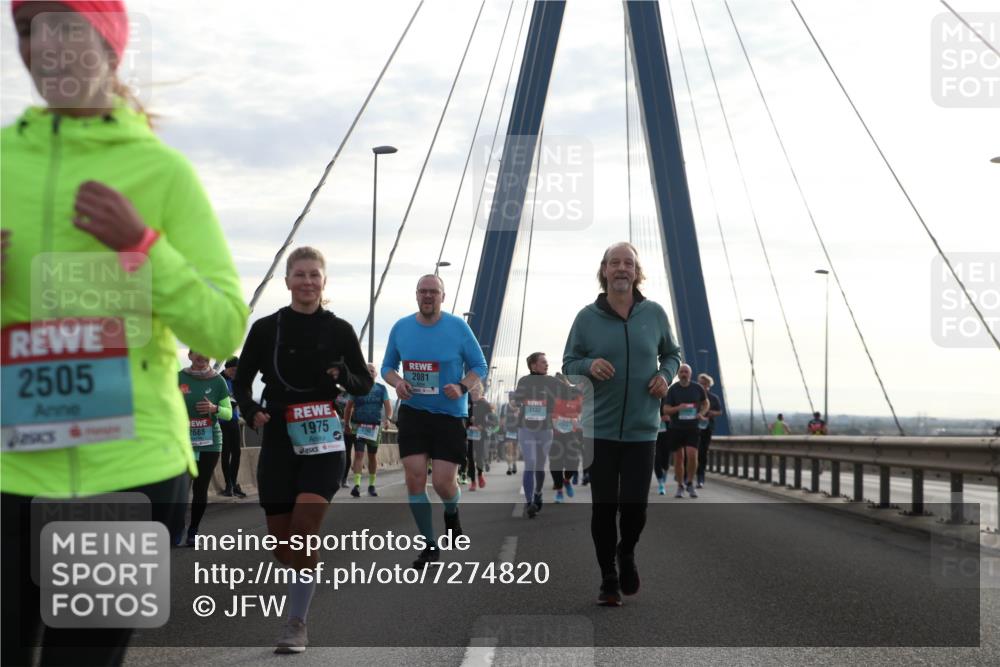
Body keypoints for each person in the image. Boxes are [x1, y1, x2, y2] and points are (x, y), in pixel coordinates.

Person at [1, 2, 247, 664]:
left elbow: (222, 326)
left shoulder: (162, 174)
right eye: (28, 28)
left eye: (65, 25)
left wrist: (144, 247)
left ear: (110, 43)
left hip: (128, 475)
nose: (45, 44)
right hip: (8, 471)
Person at [233, 246, 371, 653]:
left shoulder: (340, 329)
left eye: (314, 275)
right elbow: (241, 380)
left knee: (303, 531)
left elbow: (363, 382)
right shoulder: (266, 328)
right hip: (278, 435)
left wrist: (343, 375)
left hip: (324, 437)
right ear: (288, 281)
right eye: (300, 274)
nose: (307, 282)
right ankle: (307, 572)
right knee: (282, 545)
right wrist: (251, 410)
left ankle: (296, 623)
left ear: (324, 282)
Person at [562, 242, 681, 606]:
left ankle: (625, 551)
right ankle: (608, 578)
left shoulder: (654, 314)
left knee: (634, 508)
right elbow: (569, 364)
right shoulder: (586, 318)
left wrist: (665, 376)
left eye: (628, 263)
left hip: (642, 430)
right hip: (599, 430)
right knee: (603, 507)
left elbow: (672, 355)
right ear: (604, 270)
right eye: (614, 262)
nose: (621, 268)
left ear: (636, 271)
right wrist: (588, 365)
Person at [381, 275, 487, 569]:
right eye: (423, 291)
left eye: (434, 292)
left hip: (449, 415)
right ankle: (429, 545)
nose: (428, 296)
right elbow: (387, 367)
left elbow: (479, 365)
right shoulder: (401, 327)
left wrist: (462, 387)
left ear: (443, 296)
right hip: (414, 413)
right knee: (415, 479)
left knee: (442, 483)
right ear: (416, 295)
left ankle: (451, 511)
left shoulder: (458, 327)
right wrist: (398, 382)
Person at [178, 352, 232, 545]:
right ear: (190, 355)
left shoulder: (218, 381)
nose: (202, 356)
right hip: (183, 442)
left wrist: (214, 408)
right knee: (180, 488)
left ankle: (193, 531)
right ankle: (177, 528)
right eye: (197, 353)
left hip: (210, 442)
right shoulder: (178, 378)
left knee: (200, 488)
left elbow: (228, 414)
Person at [512, 352, 563, 518]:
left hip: (545, 429)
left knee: (540, 465)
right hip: (526, 427)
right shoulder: (524, 381)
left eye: (547, 362)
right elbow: (516, 400)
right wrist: (517, 401)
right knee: (530, 463)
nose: (547, 364)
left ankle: (538, 493)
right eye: (543, 362)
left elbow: (569, 392)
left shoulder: (552, 381)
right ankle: (529, 503)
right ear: (533, 366)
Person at [344, 363, 393, 497]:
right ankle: (357, 485)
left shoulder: (381, 389)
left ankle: (372, 485)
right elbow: (348, 408)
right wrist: (347, 423)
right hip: (359, 426)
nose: (370, 373)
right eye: (368, 370)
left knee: (372, 456)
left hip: (374, 427)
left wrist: (388, 419)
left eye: (372, 371)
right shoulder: (357, 388)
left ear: (376, 374)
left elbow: (388, 407)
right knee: (358, 454)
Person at [662, 364, 709, 498]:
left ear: (690, 374)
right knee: (679, 458)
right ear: (678, 374)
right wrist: (679, 408)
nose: (683, 374)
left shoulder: (697, 388)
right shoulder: (673, 389)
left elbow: (706, 403)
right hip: (676, 428)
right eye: (681, 372)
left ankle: (689, 482)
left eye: (686, 372)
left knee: (692, 454)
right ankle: (680, 485)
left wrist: (701, 413)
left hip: (692, 427)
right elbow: (666, 409)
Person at [550, 373, 583, 503]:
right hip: (555, 434)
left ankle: (567, 480)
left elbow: (582, 412)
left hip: (571, 433)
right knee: (555, 463)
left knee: (573, 461)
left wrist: (577, 419)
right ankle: (559, 491)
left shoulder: (576, 395)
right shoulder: (550, 397)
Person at [220, 356, 247, 498]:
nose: (234, 373)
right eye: (233, 370)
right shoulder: (219, 379)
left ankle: (234, 483)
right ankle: (228, 485)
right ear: (227, 368)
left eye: (237, 371)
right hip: (222, 421)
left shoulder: (235, 381)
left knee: (236, 452)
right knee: (225, 453)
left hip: (234, 420)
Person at [695, 373, 723, 488]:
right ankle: (686, 474)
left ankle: (700, 476)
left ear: (708, 385)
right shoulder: (694, 397)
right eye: (700, 383)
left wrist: (712, 413)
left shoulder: (714, 398)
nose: (701, 385)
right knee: (692, 451)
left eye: (704, 384)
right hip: (693, 428)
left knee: (702, 452)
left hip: (707, 428)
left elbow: (719, 411)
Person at [463, 383, 493, 491]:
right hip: (470, 434)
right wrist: (468, 422)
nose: (474, 392)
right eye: (472, 390)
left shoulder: (485, 404)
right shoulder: (467, 402)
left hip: (480, 435)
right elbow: (462, 417)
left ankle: (480, 475)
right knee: (470, 458)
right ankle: (473, 482)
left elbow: (491, 419)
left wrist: (482, 426)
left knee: (479, 456)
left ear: (481, 391)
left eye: (477, 390)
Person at [653, 403, 671, 495]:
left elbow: (677, 416)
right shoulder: (651, 401)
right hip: (653, 436)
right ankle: (661, 483)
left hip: (666, 435)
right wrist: (659, 418)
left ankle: (663, 477)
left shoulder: (669, 400)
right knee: (656, 460)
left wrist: (670, 418)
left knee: (665, 461)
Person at [501, 394, 520, 475]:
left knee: (515, 449)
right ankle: (509, 467)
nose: (513, 401)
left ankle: (514, 463)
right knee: (509, 448)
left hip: (517, 430)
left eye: (515, 399)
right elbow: (501, 418)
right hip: (508, 430)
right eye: (511, 399)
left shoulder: (520, 407)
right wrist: (502, 426)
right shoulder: (505, 407)